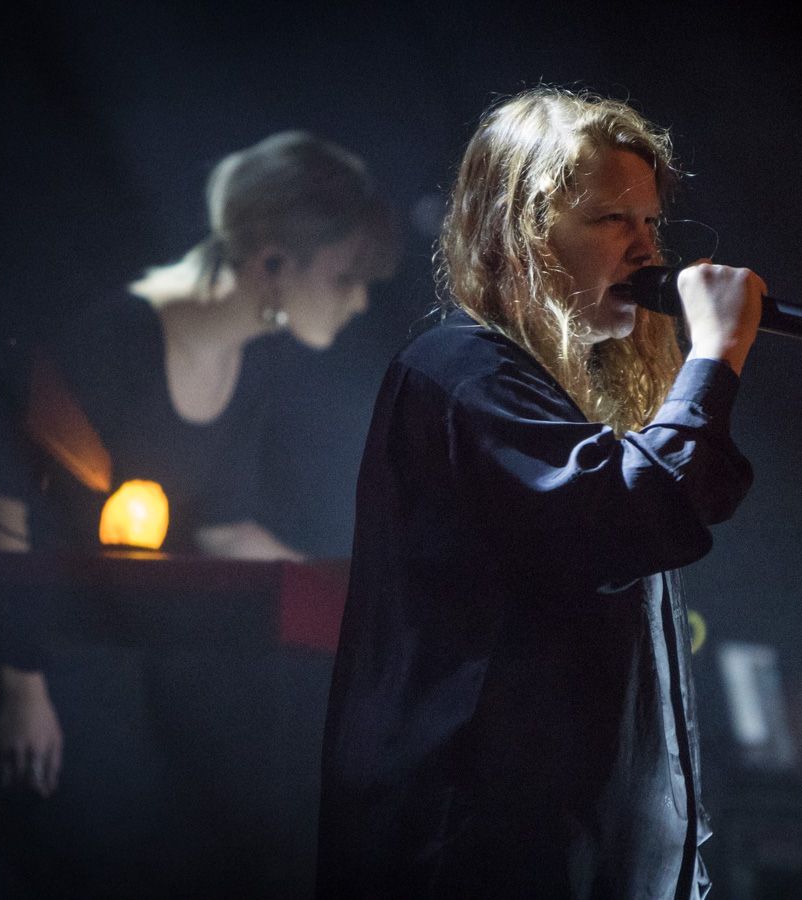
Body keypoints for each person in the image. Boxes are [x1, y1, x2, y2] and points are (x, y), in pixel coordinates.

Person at [317, 88, 763, 899]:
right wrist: (715, 356)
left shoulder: (562, 401)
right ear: (519, 231)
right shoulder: (460, 372)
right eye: (612, 220)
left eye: (651, 222)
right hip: (475, 863)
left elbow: (683, 495)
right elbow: (632, 511)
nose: (647, 249)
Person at [0, 130, 398, 896]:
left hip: (135, 669)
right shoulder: (112, 338)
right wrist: (22, 691)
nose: (359, 300)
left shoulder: (251, 362)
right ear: (272, 263)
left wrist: (353, 605)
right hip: (50, 665)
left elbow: (225, 527)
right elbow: (1, 507)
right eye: (344, 277)